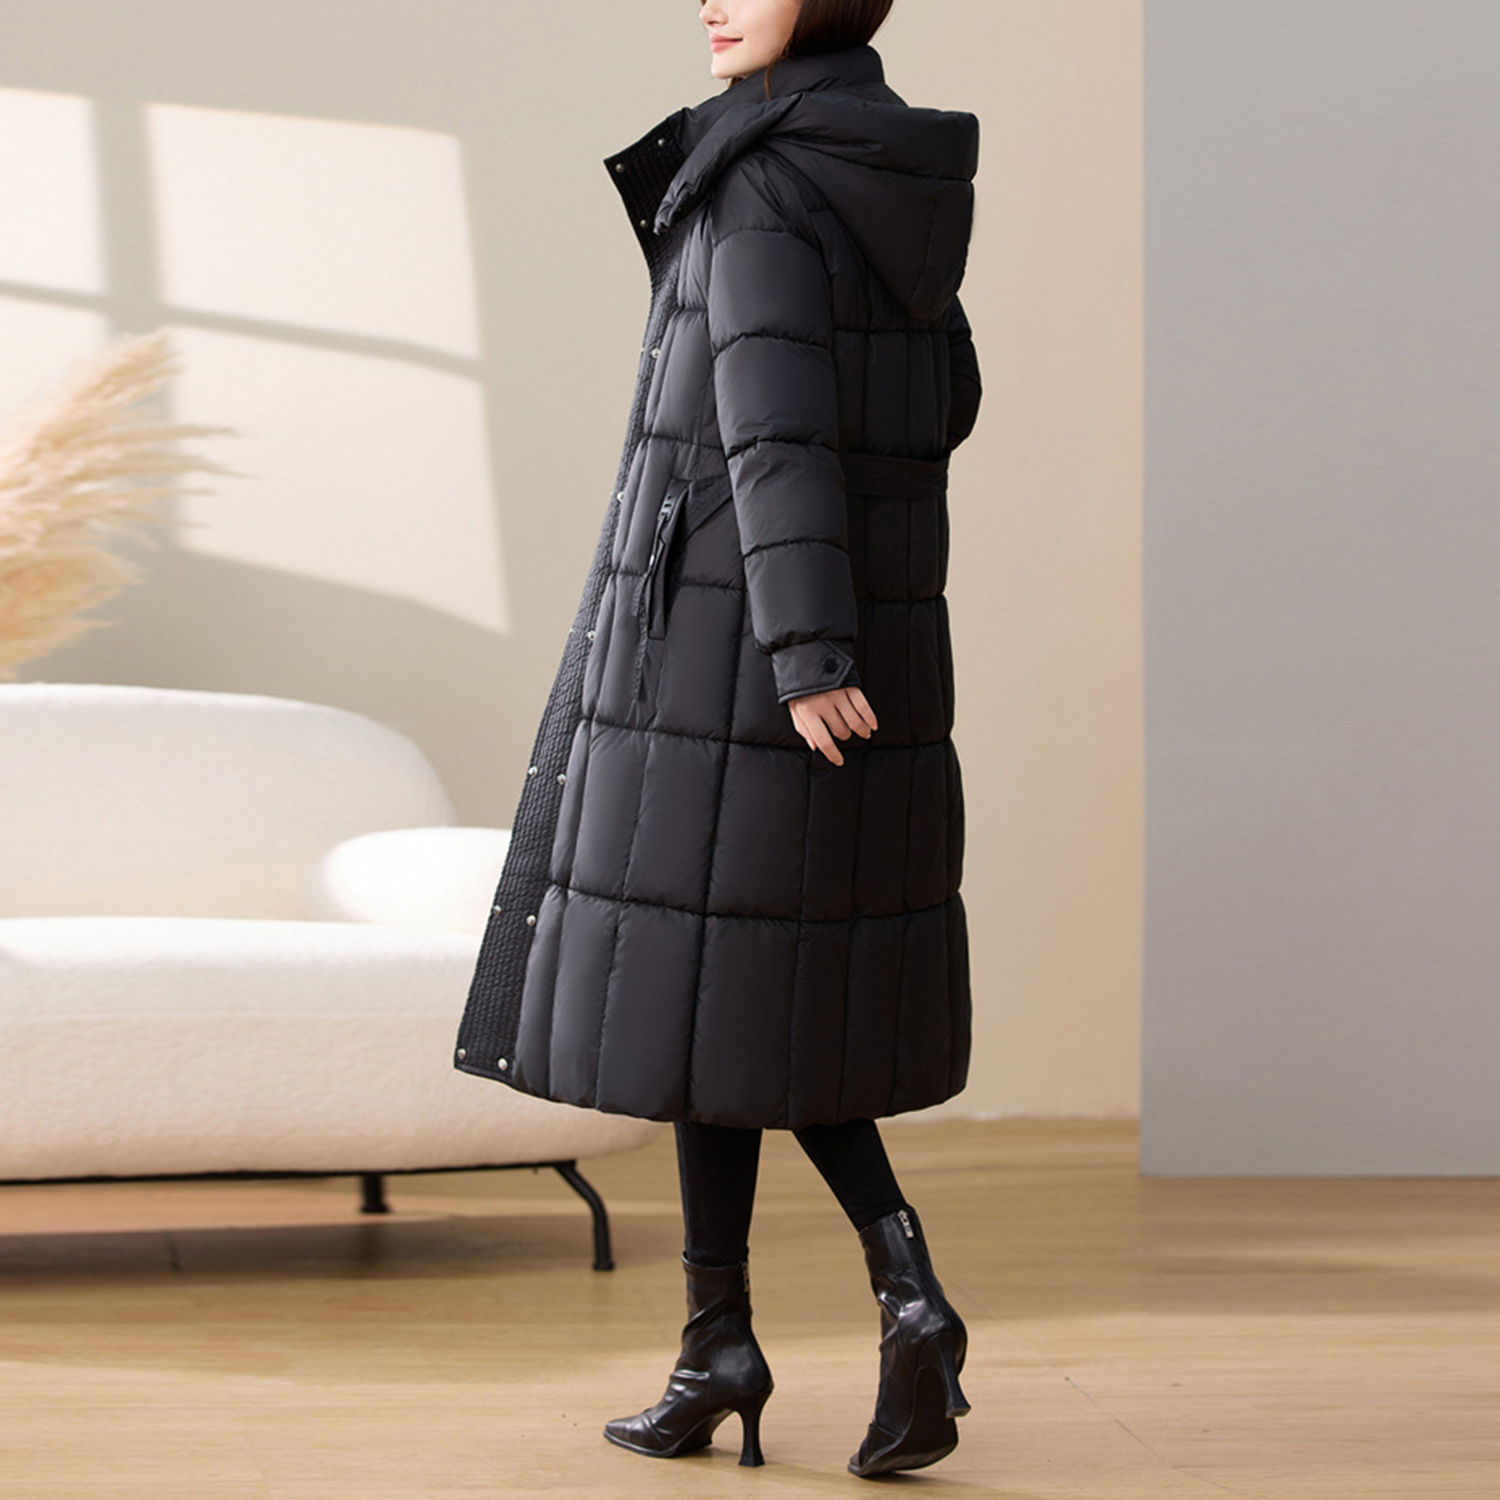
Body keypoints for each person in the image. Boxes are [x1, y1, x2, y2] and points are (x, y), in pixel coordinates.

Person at [453, 0, 982, 1478]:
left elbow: (772, 425)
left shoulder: (758, 172)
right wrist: (845, 616)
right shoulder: (887, 167)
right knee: (733, 1000)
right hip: (846, 624)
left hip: (733, 643)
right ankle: (728, 1345)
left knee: (730, 993)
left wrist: (804, 647)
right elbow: (944, 400)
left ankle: (880, 1303)